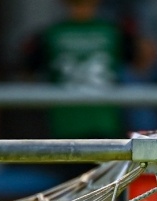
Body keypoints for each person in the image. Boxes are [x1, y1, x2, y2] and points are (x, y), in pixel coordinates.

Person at [21, 0, 150, 140]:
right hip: (63, 125)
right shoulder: (50, 34)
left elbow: (143, 61)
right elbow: (26, 70)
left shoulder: (113, 31)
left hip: (105, 123)